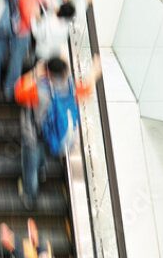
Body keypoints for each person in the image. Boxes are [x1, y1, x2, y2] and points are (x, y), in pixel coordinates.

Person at [15, 56, 101, 206]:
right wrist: (94, 71)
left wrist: (36, 71)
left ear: (47, 72)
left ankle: (30, 195)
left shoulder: (39, 90)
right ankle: (41, 170)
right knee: (42, 154)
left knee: (30, 165)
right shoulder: (71, 87)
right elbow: (87, 88)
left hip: (33, 135)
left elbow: (18, 91)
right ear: (65, 72)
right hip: (53, 136)